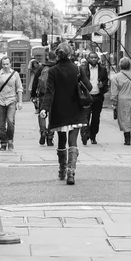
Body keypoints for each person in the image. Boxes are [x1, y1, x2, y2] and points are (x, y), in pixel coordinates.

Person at [40, 42, 92, 185]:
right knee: (73, 141)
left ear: (57, 55)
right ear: (70, 54)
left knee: (62, 141)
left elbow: (49, 93)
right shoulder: (77, 69)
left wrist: (44, 109)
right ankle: (71, 172)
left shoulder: (52, 71)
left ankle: (62, 170)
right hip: (75, 109)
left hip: (59, 110)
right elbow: (89, 86)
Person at [0, 56, 23, 151]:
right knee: (1, 125)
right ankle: (3, 143)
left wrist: (20, 102)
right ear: (1, 64)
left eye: (7, 64)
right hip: (0, 101)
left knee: (10, 121)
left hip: (11, 101)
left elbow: (19, 88)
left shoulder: (15, 74)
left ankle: (10, 140)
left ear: (10, 64)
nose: (5, 66)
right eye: (3, 64)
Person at [110, 56, 131, 145]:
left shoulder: (116, 77)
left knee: (123, 117)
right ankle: (128, 132)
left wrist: (114, 102)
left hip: (122, 99)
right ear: (130, 65)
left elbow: (114, 92)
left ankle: (127, 135)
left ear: (120, 66)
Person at [79, 51, 109, 145]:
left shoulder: (103, 69)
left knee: (96, 118)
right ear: (88, 59)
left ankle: (93, 136)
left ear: (98, 59)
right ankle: (84, 135)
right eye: (91, 57)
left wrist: (102, 84)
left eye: (95, 57)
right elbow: (78, 81)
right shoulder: (82, 69)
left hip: (98, 96)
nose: (93, 59)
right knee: (85, 117)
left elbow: (106, 80)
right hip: (87, 96)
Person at [31, 50, 57, 146]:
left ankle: (43, 131)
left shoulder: (42, 68)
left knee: (42, 114)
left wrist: (33, 95)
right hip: (55, 95)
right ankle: (50, 137)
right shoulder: (57, 67)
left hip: (43, 95)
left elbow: (35, 82)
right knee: (53, 117)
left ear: (47, 57)